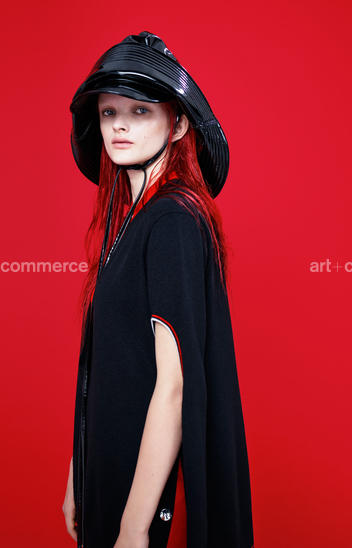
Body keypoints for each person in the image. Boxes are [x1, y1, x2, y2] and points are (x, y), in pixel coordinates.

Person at [63, 31, 254, 548]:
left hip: (146, 494)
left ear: (179, 124)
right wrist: (78, 474)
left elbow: (174, 385)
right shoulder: (129, 222)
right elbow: (107, 365)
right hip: (111, 469)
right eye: (109, 111)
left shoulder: (171, 220)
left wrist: (134, 526)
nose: (120, 124)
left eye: (141, 110)